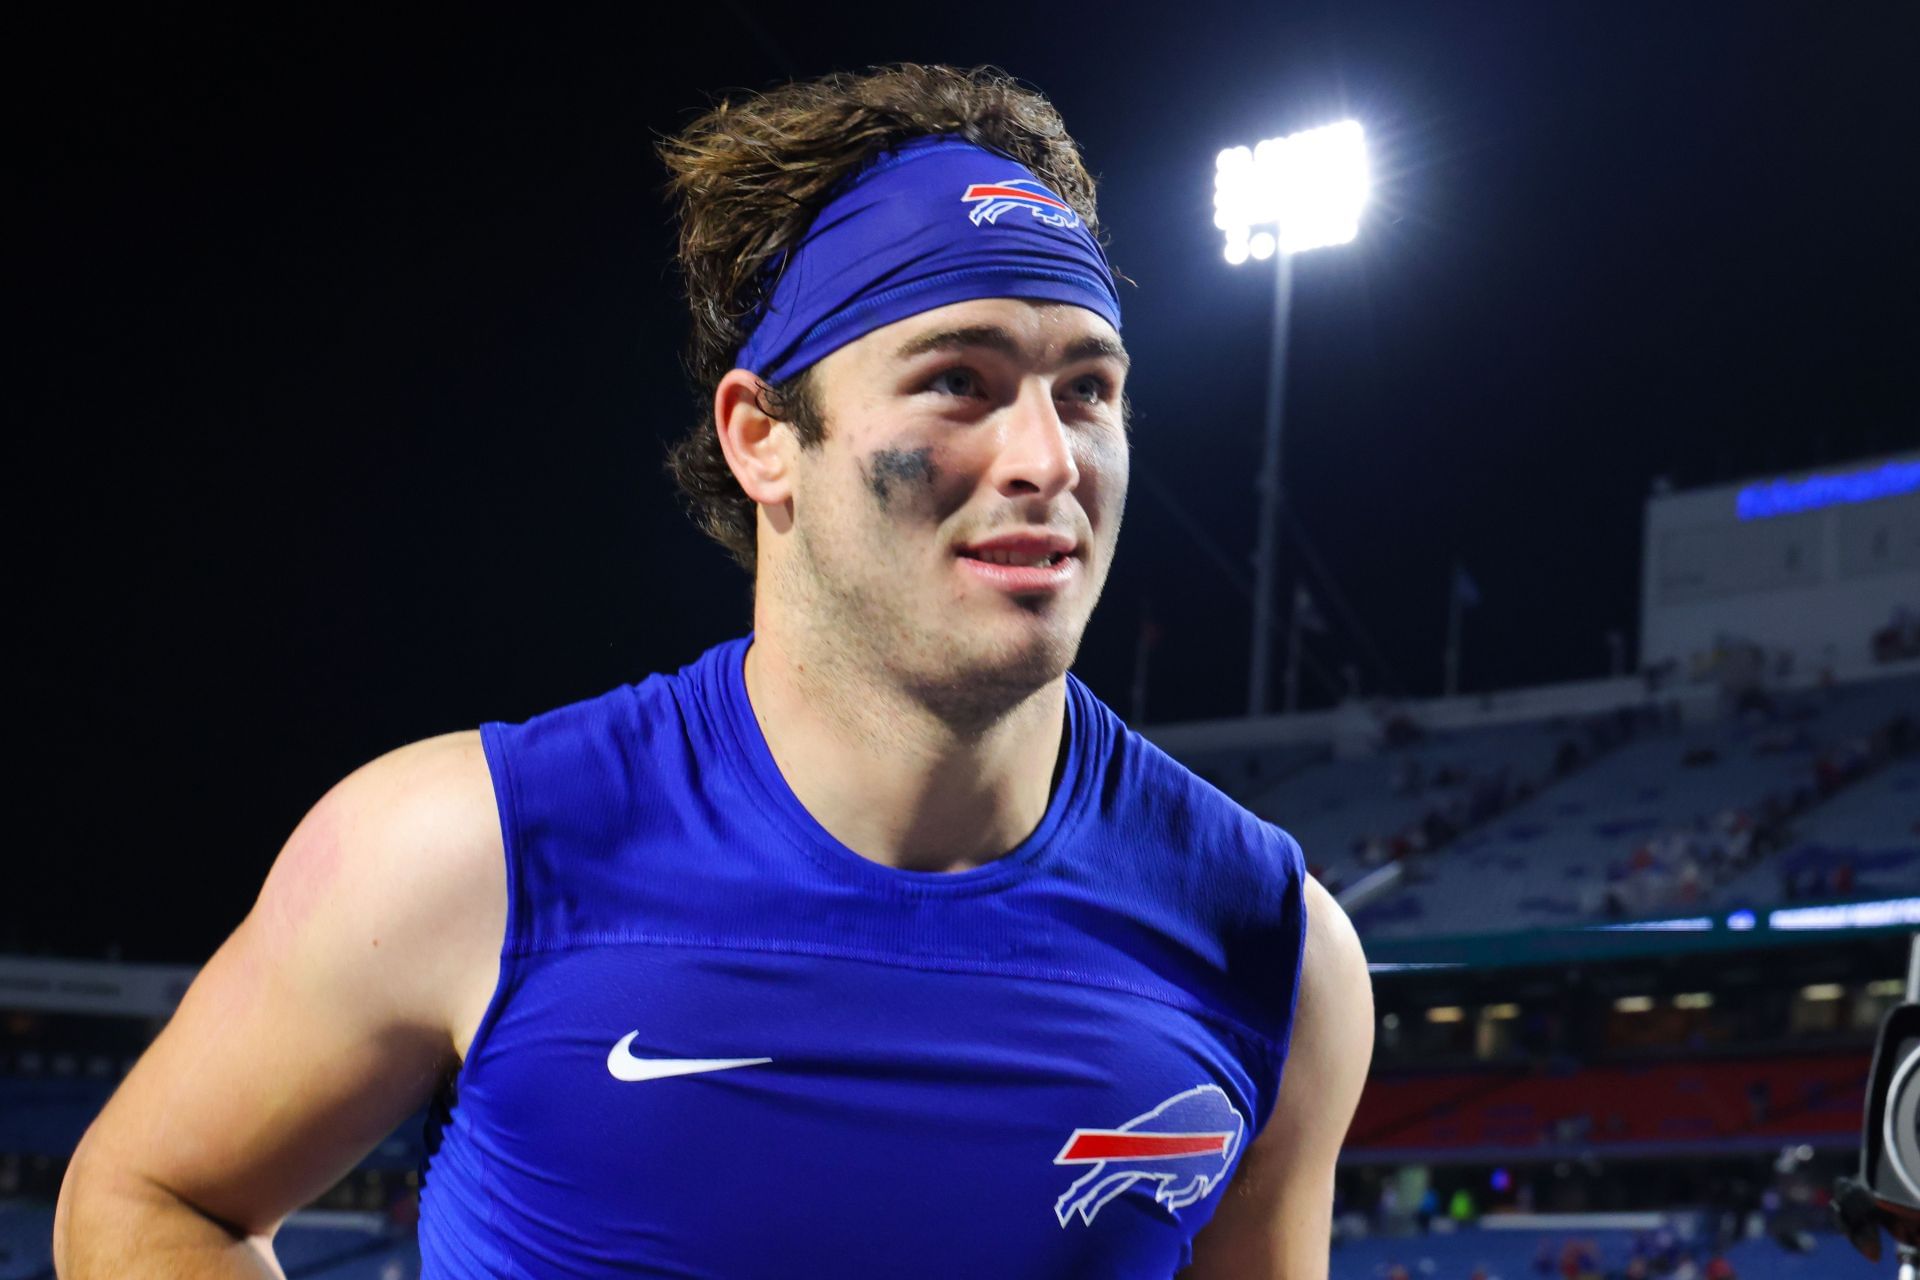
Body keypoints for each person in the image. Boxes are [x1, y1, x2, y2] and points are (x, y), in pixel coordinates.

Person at [52, 64, 1373, 1277]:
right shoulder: (469, 851)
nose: (1047, 459)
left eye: (1086, 390)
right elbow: (152, 1199)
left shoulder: (1274, 951)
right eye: (959, 381)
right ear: (763, 440)